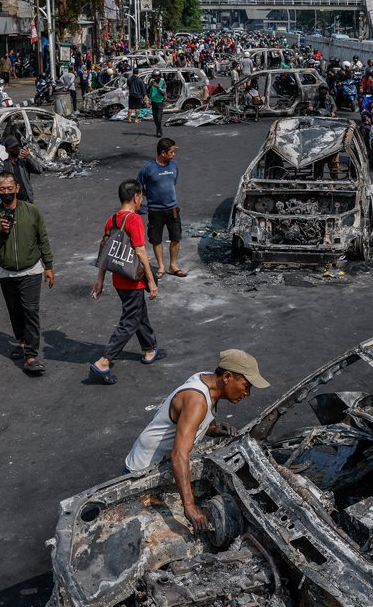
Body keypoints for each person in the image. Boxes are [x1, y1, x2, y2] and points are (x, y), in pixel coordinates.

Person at [123, 349, 269, 529]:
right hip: (142, 472)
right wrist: (189, 506)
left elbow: (190, 422)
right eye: (246, 386)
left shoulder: (207, 380)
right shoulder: (197, 400)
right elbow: (179, 454)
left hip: (162, 464)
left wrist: (213, 429)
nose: (248, 393)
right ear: (227, 377)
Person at [89, 180, 161, 385]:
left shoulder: (111, 220)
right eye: (141, 197)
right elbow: (140, 252)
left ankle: (150, 348)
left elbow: (105, 251)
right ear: (136, 196)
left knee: (138, 313)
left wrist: (100, 279)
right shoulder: (134, 220)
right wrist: (151, 281)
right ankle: (104, 361)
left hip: (119, 279)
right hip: (133, 281)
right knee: (130, 320)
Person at [0, 172, 54, 373]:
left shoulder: (31, 211)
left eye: (9, 188)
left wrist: (48, 266)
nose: (6, 192)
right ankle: (22, 342)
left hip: (31, 271)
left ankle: (31, 355)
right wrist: (2, 233)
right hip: (6, 272)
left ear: (17, 188)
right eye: (2, 189)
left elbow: (43, 239)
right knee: (15, 312)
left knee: (31, 311)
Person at [137, 137, 185, 278]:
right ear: (163, 153)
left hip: (173, 209)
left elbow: (172, 183)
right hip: (155, 211)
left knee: (176, 237)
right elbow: (139, 187)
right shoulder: (147, 168)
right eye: (171, 152)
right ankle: (161, 267)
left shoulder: (174, 166)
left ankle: (173, 265)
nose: (174, 154)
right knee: (156, 239)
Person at [1, 135, 41, 203]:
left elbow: (39, 170)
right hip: (11, 203)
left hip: (27, 201)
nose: (15, 149)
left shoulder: (24, 162)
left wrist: (29, 157)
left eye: (17, 146)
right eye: (12, 147)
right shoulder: (2, 166)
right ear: (7, 150)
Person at [147, 71, 167, 137]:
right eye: (154, 76)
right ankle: (158, 129)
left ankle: (159, 132)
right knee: (155, 118)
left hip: (160, 102)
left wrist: (158, 86)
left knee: (159, 118)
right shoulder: (152, 82)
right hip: (153, 101)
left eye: (157, 76)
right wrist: (150, 86)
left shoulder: (162, 82)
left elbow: (163, 92)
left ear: (159, 76)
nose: (155, 77)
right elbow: (148, 91)